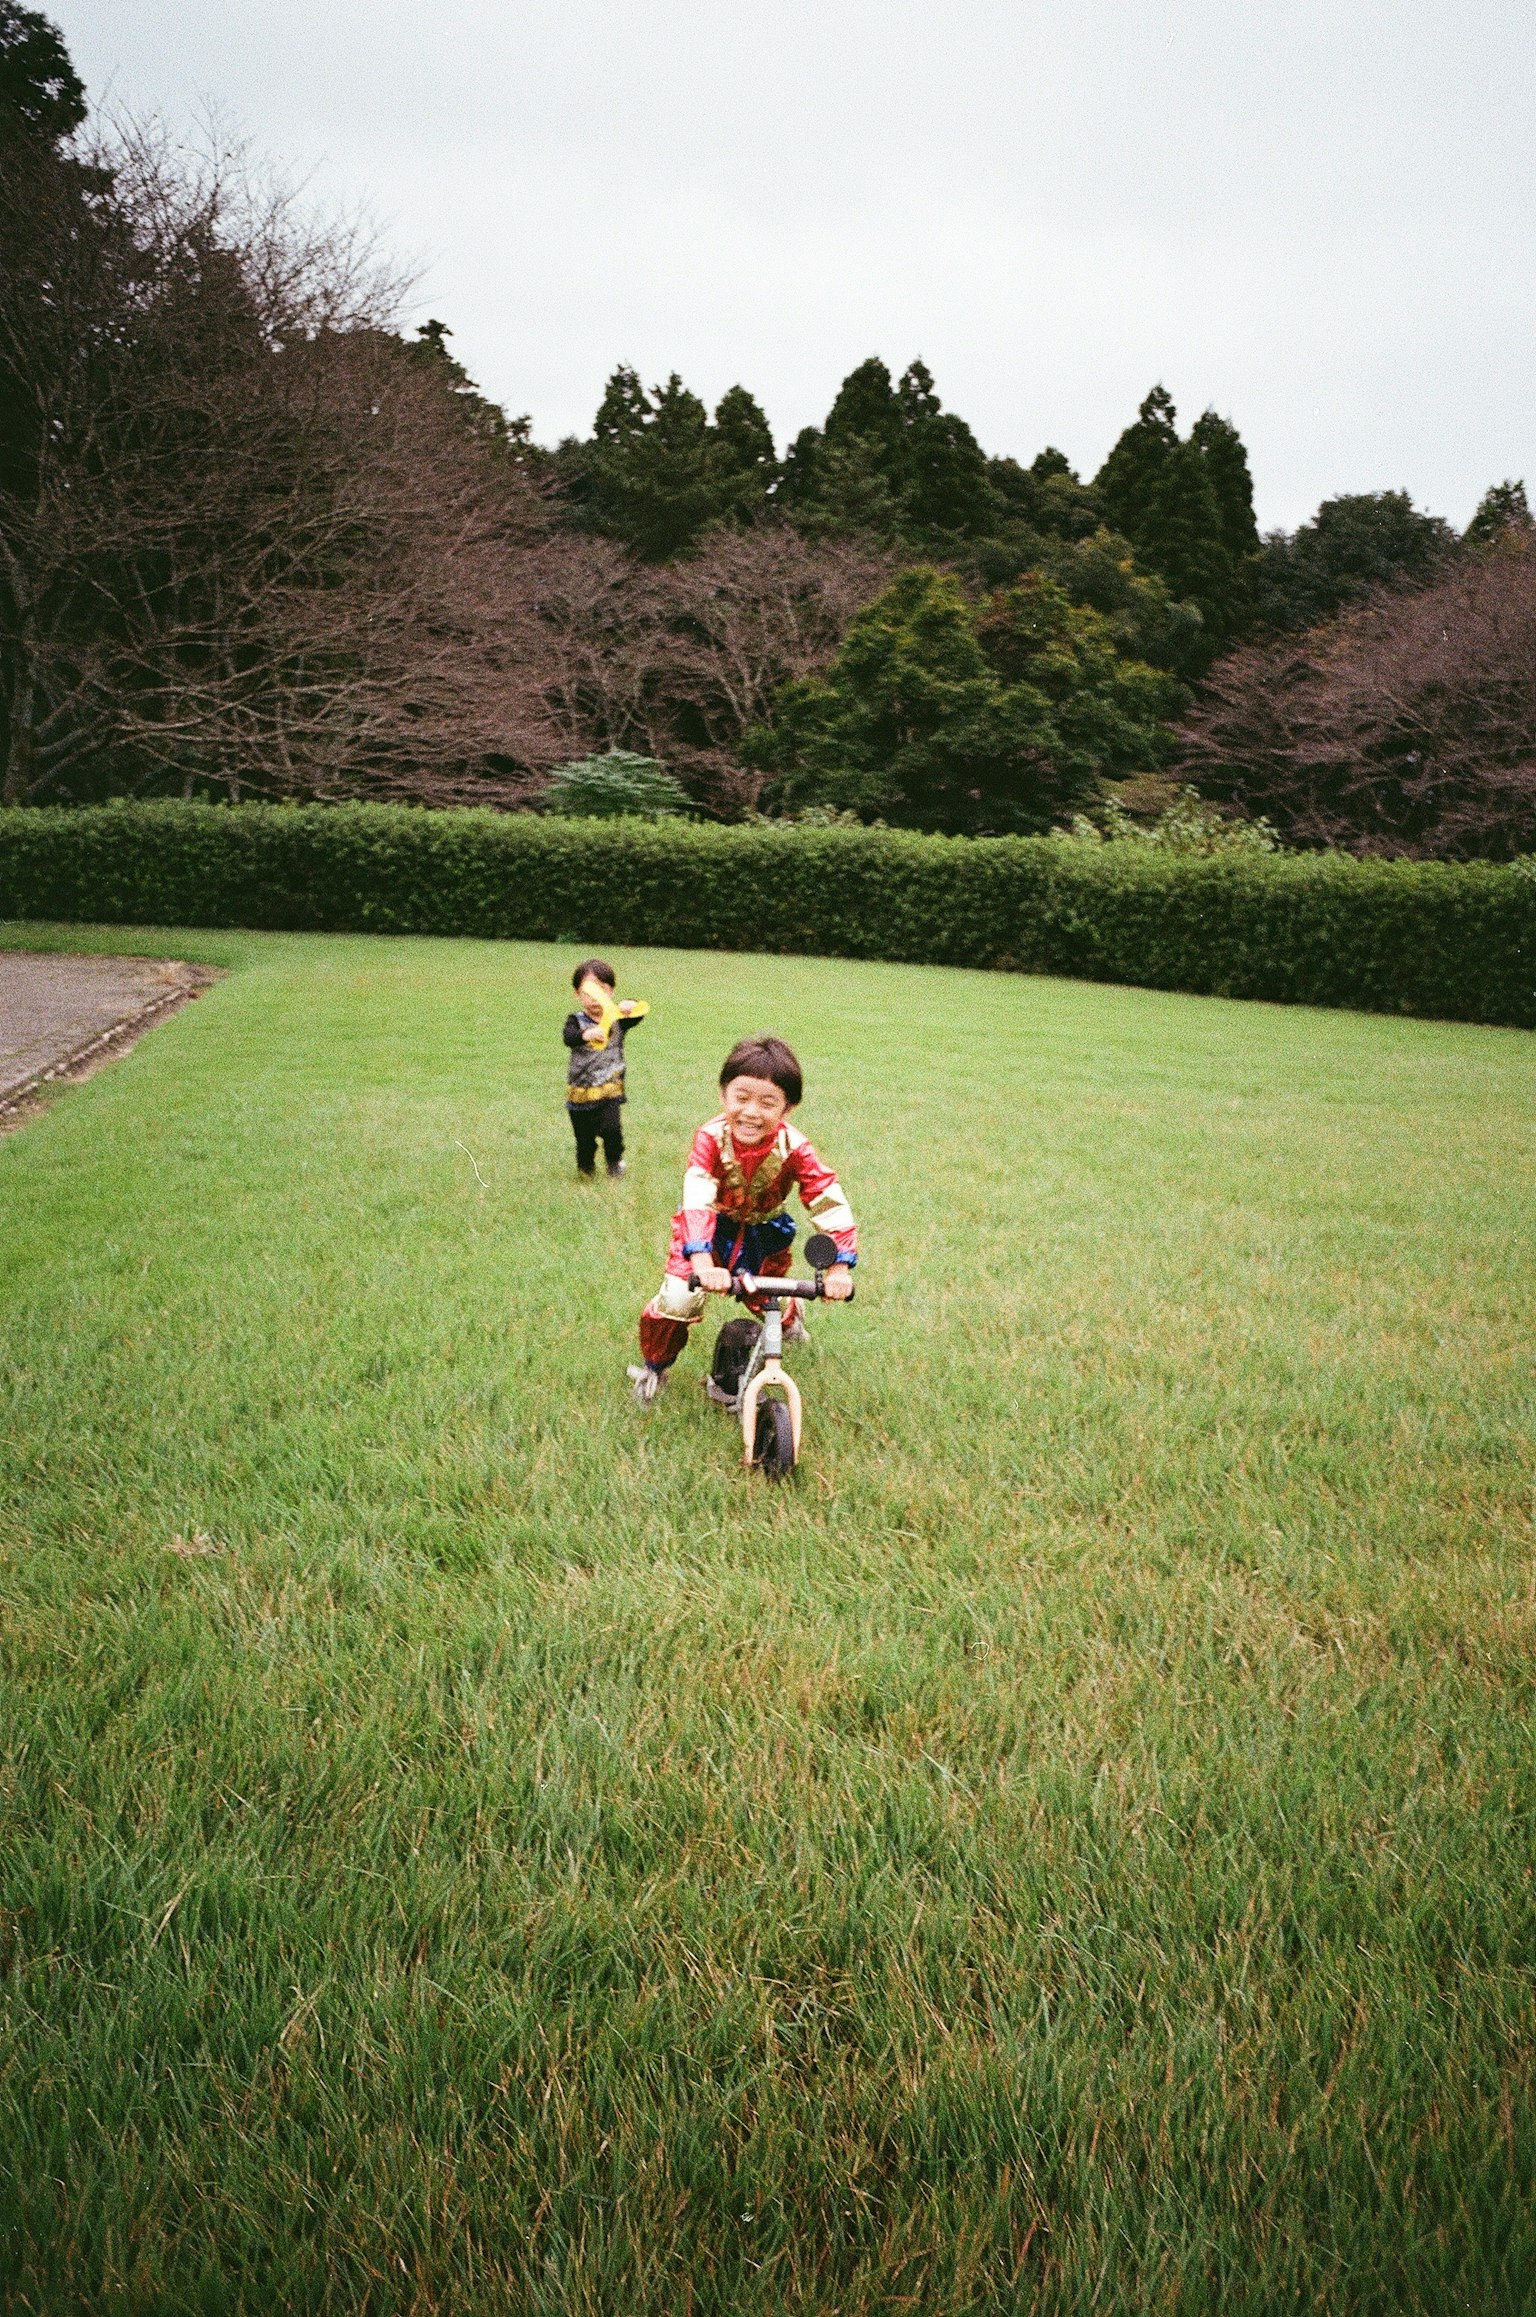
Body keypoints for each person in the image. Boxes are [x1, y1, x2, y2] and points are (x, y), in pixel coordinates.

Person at [628, 1032, 856, 1407]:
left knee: (772, 1299)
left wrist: (840, 1267)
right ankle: (655, 1369)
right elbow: (698, 1197)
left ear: (787, 1109)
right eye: (742, 1098)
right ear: (723, 1095)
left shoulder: (795, 1147)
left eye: (768, 1103)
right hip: (709, 1232)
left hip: (764, 1234)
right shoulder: (710, 1139)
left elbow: (826, 1198)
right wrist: (702, 1261)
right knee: (677, 1300)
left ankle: (789, 1320)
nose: (752, 1112)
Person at [564, 957, 648, 1179]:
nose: (594, 998)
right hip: (581, 1090)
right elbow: (568, 1037)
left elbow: (638, 1015)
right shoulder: (576, 1020)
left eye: (601, 990)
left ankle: (615, 1162)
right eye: (588, 992)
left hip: (610, 1088)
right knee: (584, 1137)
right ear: (577, 994)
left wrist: (630, 1004)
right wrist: (585, 1034)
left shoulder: (617, 1019)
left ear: (610, 992)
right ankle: (585, 1168)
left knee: (612, 1130)